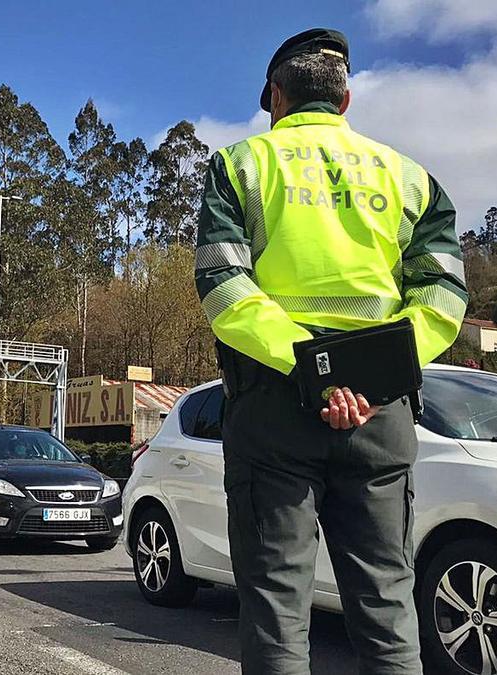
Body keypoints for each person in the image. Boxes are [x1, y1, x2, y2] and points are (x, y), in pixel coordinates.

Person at [194, 28, 467, 675]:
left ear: (277, 99)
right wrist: (365, 378)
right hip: (381, 414)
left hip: (274, 408)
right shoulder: (410, 178)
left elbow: (224, 287)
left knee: (277, 615)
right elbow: (444, 296)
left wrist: (315, 371)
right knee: (386, 612)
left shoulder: (241, 165)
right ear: (345, 102)